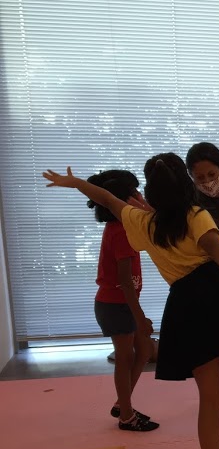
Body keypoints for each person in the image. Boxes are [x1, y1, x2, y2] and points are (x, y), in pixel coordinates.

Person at [43, 156, 219, 449]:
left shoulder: (145, 223)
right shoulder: (196, 216)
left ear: (151, 194)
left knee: (210, 399)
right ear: (187, 185)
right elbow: (216, 250)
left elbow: (107, 199)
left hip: (187, 307)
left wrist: (75, 184)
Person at [88, 169, 158, 432]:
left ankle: (122, 403)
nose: (139, 196)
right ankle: (126, 416)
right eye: (134, 192)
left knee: (145, 350)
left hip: (120, 304)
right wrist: (140, 317)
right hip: (115, 305)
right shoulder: (120, 231)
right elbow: (125, 282)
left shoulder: (124, 227)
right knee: (125, 357)